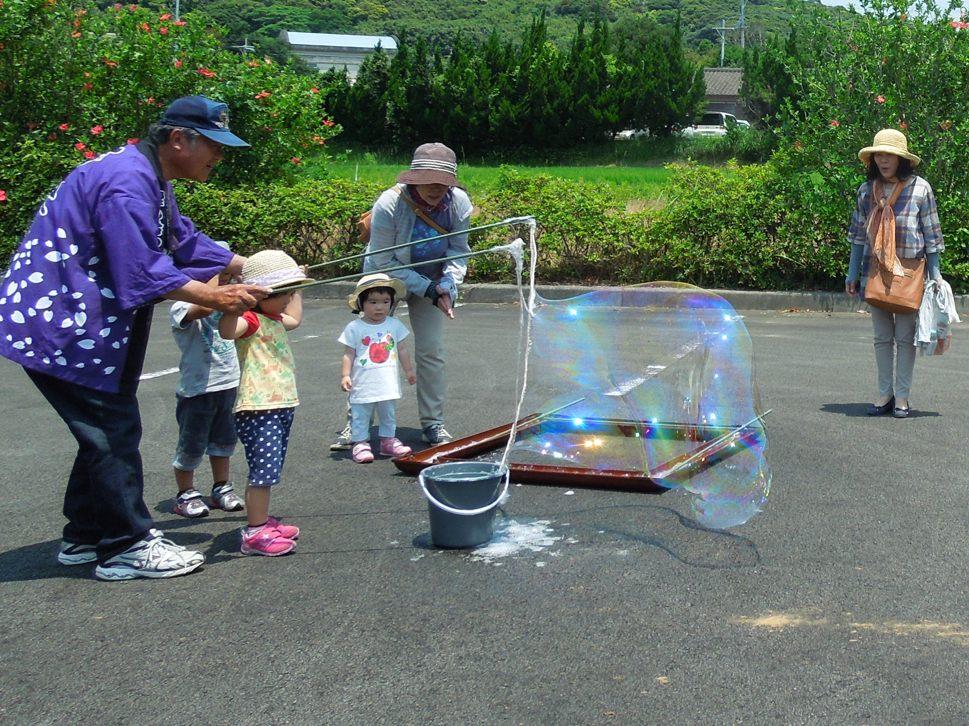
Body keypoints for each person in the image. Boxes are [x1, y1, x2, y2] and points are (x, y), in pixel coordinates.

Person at [0, 95, 268, 580]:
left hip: (75, 323)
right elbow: (142, 270)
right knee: (111, 431)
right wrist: (220, 299)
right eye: (215, 145)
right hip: (63, 326)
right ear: (179, 139)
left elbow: (182, 240)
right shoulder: (127, 183)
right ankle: (126, 544)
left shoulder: (146, 175)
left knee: (102, 432)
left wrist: (253, 268)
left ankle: (84, 536)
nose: (220, 157)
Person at [330, 142, 472, 450]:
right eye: (428, 180)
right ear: (414, 177)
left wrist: (448, 283)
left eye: (443, 181)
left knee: (431, 351)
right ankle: (356, 424)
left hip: (433, 281)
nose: (435, 187)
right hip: (384, 280)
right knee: (370, 348)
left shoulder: (459, 202)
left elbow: (459, 251)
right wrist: (428, 288)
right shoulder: (389, 203)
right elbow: (383, 260)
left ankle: (433, 424)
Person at [845, 128, 944, 418]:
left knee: (904, 337)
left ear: (902, 159)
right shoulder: (867, 191)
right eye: (879, 155)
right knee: (881, 337)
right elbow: (857, 236)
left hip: (909, 272)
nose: (883, 160)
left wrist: (935, 276)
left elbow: (932, 235)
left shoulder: (920, 189)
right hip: (875, 270)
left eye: (890, 155)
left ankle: (902, 396)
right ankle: (884, 393)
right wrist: (852, 273)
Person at [219, 250, 309, 557]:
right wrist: (235, 305)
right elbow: (227, 331)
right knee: (262, 472)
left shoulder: (275, 318)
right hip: (258, 407)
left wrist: (296, 284)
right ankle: (255, 533)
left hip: (281, 404)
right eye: (281, 293)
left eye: (289, 293)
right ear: (258, 296)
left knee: (270, 469)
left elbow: (294, 318)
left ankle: (262, 522)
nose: (287, 299)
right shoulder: (251, 319)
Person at [170, 242, 244, 518]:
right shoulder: (181, 306)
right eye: (216, 272)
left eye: (225, 274)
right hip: (196, 390)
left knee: (224, 441)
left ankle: (221, 487)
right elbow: (202, 307)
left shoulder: (230, 302)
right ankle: (185, 493)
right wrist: (216, 272)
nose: (223, 279)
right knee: (191, 445)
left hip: (227, 383)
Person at [339, 273, 416, 463]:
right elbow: (349, 353)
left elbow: (402, 349)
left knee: (388, 413)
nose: (380, 306)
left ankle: (388, 441)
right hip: (362, 383)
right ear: (361, 304)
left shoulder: (394, 324)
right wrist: (345, 375)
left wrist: (408, 371)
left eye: (385, 301)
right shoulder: (354, 327)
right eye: (373, 302)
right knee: (360, 414)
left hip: (387, 382)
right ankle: (360, 442)